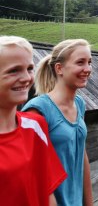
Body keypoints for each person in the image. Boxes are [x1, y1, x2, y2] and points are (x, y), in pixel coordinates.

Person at [22, 39, 94, 206]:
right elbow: (29, 173)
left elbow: (82, 156)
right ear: (59, 68)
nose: (88, 69)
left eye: (89, 62)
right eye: (80, 62)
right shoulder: (38, 110)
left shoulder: (79, 104)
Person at [0, 35, 67, 206]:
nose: (26, 78)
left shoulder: (36, 125)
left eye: (29, 68)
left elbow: (47, 192)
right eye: (13, 70)